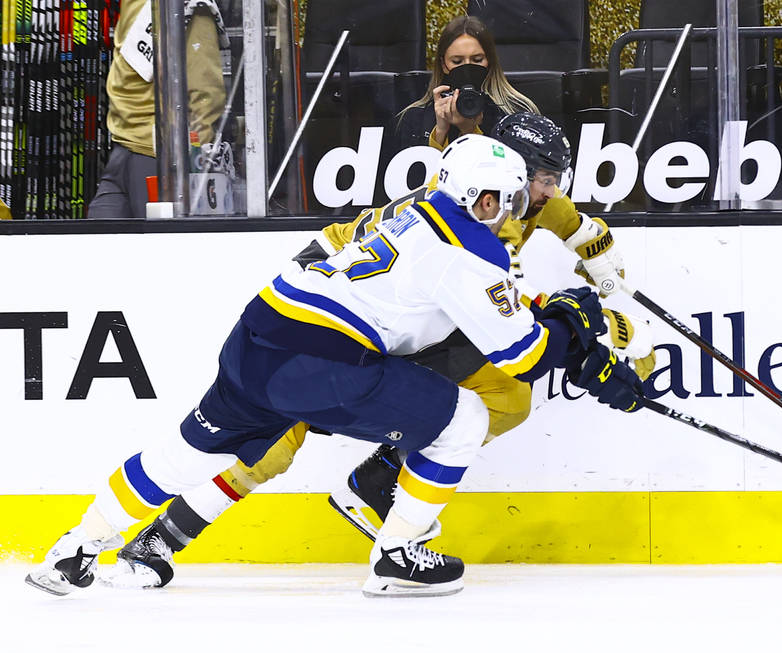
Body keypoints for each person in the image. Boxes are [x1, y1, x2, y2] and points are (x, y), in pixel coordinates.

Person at [26, 134, 645, 599]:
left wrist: (568, 328)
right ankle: (397, 553)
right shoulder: (467, 244)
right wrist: (577, 335)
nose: (508, 212)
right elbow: (523, 354)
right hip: (324, 361)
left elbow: (473, 301)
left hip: (257, 333)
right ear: (482, 195)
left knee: (185, 454)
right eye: (503, 200)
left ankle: (71, 551)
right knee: (463, 421)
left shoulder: (407, 211)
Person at [87, 0, 228, 219]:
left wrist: (192, 168)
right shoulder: (131, 4)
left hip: (158, 157)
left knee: (157, 247)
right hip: (123, 148)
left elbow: (205, 97)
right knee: (100, 241)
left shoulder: (190, 5)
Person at [394, 15, 538, 151]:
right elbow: (417, 174)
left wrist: (470, 130)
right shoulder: (414, 117)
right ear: (444, 65)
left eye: (477, 60)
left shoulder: (516, 112)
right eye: (457, 62)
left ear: (490, 61)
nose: (467, 68)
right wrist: (440, 132)